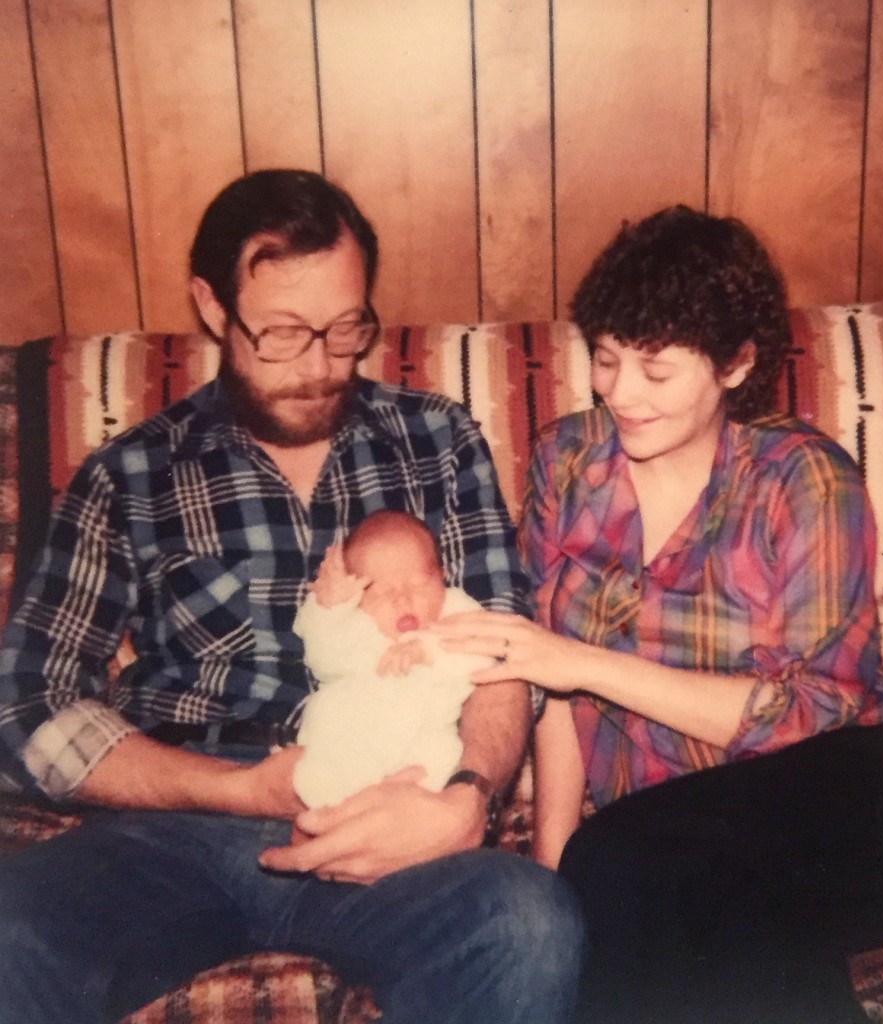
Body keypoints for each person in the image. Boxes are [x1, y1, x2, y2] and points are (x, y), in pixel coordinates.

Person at [0, 169, 582, 1024]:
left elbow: (501, 649)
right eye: (282, 333)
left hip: (396, 809)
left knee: (528, 922)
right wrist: (240, 791)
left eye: (345, 329)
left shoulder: (437, 440)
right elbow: (25, 706)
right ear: (211, 305)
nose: (319, 366)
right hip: (181, 823)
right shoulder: (130, 474)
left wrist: (467, 795)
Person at [438, 206, 883, 1024]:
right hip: (672, 843)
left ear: (736, 364)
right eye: (608, 359)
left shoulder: (804, 480)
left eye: (656, 371)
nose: (620, 392)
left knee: (640, 871)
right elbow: (550, 691)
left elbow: (802, 715)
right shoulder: (567, 463)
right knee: (673, 910)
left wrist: (583, 661)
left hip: (873, 799)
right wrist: (556, 867)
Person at [293, 509, 495, 806]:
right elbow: (323, 659)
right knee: (323, 775)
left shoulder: (455, 611)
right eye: (382, 593)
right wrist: (329, 609)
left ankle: (408, 819)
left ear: (441, 576)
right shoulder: (354, 622)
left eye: (417, 584)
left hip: (425, 736)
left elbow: (485, 652)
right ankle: (326, 814)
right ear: (357, 594)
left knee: (441, 765)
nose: (402, 599)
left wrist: (428, 650)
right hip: (352, 735)